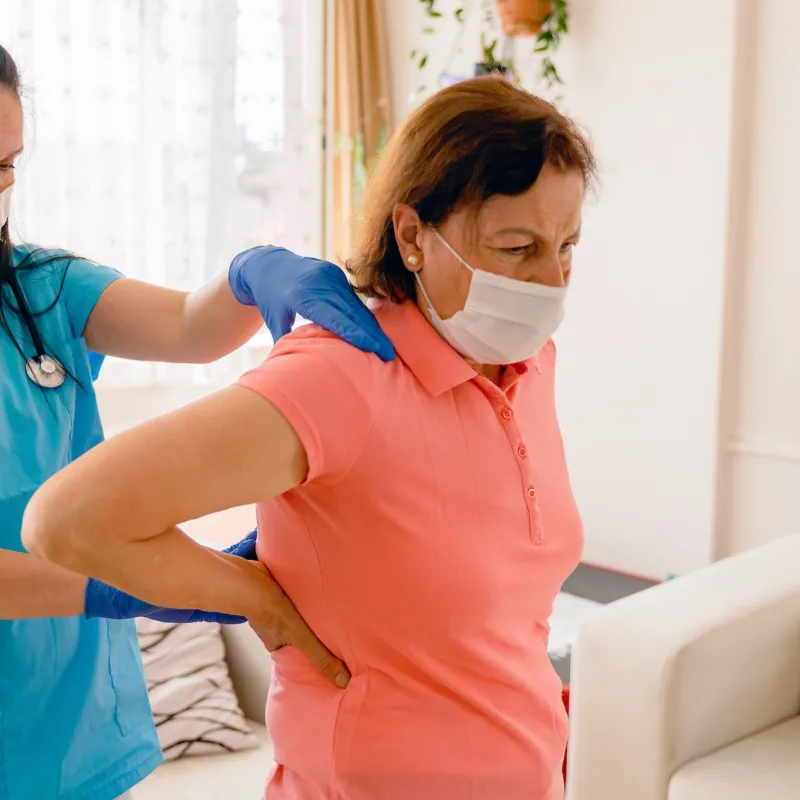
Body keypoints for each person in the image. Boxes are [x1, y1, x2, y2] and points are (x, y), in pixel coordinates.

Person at [25, 76, 596, 799]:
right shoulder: (341, 377)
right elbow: (67, 520)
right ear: (414, 235)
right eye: (518, 248)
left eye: (567, 245)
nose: (551, 281)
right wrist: (253, 597)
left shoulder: (527, 362)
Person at [0, 44, 393, 800]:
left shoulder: (39, 291)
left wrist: (250, 273)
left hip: (69, 733)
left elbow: (187, 325)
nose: (2, 186)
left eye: (9, 163)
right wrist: (135, 584)